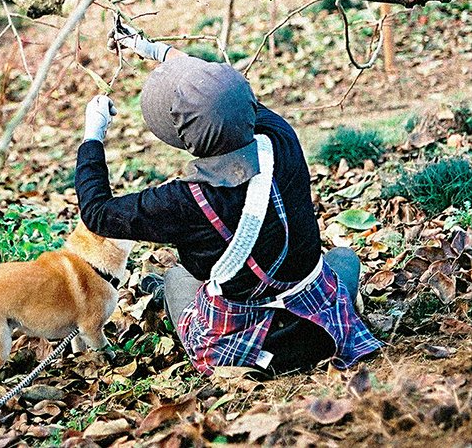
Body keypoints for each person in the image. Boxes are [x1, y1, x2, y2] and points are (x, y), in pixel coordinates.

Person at [75, 22, 382, 376]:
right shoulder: (280, 138)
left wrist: (93, 134)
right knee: (343, 259)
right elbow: (223, 98)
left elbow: (97, 213)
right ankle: (313, 335)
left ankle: (257, 351)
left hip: (241, 326)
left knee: (177, 280)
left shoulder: (182, 202)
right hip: (308, 303)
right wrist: (154, 50)